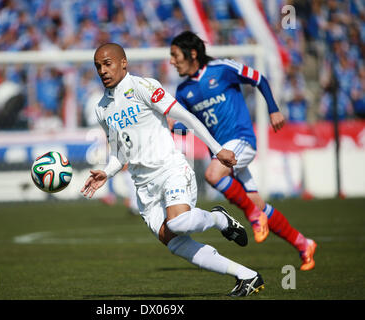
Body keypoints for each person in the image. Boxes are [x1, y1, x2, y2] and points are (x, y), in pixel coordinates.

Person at [81, 43, 265, 297]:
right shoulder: (102, 108)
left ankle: (218, 218)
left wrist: (217, 149)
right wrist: (107, 171)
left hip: (170, 169)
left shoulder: (144, 87)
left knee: (179, 222)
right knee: (176, 244)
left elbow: (187, 118)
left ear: (124, 62)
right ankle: (247, 275)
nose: (102, 70)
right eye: (98, 66)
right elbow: (118, 151)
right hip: (144, 188)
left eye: (107, 63)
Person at [169, 31, 317, 271]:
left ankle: (252, 215)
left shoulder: (222, 69)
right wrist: (171, 129)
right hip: (222, 153)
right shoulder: (184, 91)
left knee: (212, 176)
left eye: (175, 55)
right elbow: (189, 129)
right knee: (257, 203)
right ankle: (303, 243)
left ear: (192, 53)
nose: (172, 61)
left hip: (241, 141)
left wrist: (273, 109)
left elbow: (258, 78)